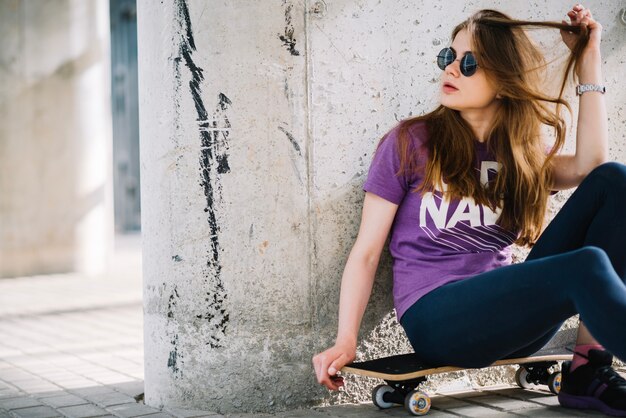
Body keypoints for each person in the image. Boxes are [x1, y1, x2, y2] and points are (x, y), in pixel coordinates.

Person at [312, 4, 626, 416]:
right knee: (585, 265)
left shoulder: (521, 155)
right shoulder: (411, 142)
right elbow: (367, 252)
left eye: (470, 62)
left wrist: (588, 58)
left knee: (614, 180)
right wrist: (345, 337)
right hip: (438, 318)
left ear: (504, 79)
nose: (451, 69)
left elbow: (591, 166)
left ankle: (589, 367)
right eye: (449, 56)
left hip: (514, 317)